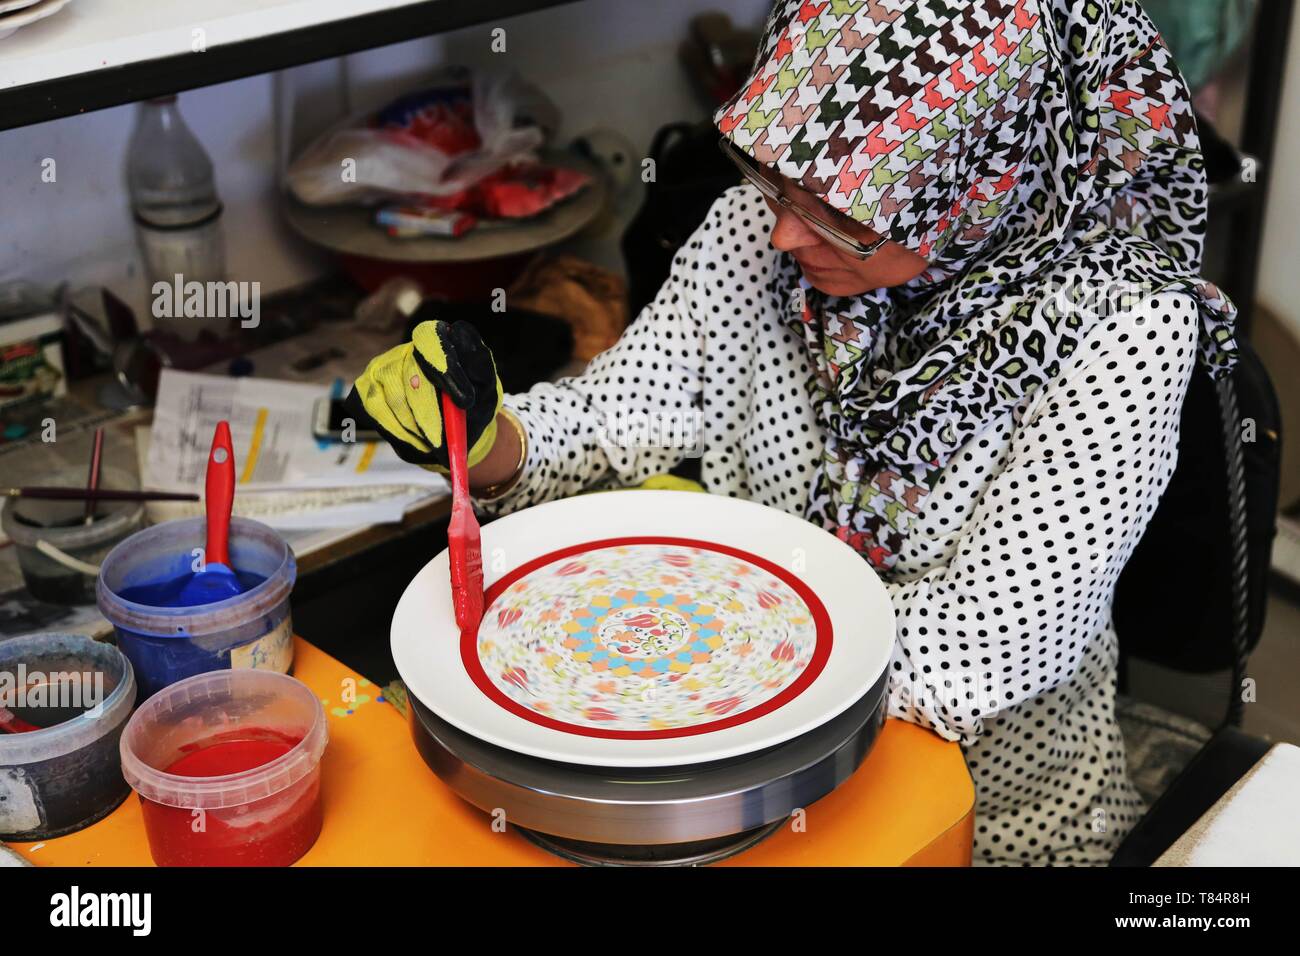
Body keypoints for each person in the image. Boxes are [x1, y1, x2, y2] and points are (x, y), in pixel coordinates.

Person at [348, 0, 1238, 865]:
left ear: (980, 183)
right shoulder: (756, 227)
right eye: (774, 177)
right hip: (732, 795)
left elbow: (978, 650)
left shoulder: (1123, 328)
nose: (779, 231)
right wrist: (482, 433)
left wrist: (688, 638)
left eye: (841, 211)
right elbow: (611, 415)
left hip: (984, 815)